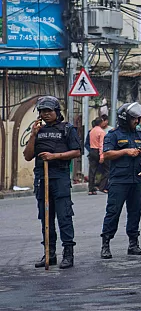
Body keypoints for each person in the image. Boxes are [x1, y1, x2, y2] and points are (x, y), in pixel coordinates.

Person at [23, 96, 81, 269]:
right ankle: (49, 254)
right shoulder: (37, 130)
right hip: (42, 178)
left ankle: (68, 254)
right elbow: (27, 156)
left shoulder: (67, 129)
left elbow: (76, 152)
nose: (45, 114)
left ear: (57, 112)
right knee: (46, 217)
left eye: (49, 111)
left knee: (64, 216)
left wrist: (55, 156)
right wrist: (33, 135)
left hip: (60, 177)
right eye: (42, 111)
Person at [100, 102, 141, 259]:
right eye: (135, 118)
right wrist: (125, 152)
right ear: (125, 119)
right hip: (119, 180)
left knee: (135, 212)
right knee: (113, 212)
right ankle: (106, 244)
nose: (138, 121)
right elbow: (106, 154)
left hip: (136, 179)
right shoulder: (113, 135)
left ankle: (133, 244)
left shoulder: (137, 133)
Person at [88, 115, 109, 195]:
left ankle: (91, 188)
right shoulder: (101, 132)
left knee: (92, 170)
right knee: (107, 170)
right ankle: (102, 186)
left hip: (92, 150)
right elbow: (101, 144)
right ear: (101, 123)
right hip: (98, 151)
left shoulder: (92, 131)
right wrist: (102, 156)